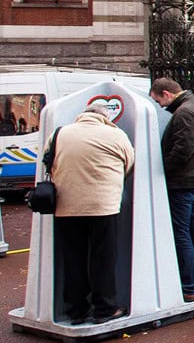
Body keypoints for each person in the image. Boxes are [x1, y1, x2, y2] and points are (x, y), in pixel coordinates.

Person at [50, 104, 134, 325]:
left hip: (66, 205)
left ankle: (76, 312)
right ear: (105, 118)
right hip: (103, 205)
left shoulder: (60, 133)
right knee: (103, 258)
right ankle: (104, 309)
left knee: (73, 258)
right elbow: (129, 163)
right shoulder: (116, 134)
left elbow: (50, 164)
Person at [149, 78, 194, 303]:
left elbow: (182, 149)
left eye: (159, 101)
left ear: (167, 94)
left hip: (183, 182)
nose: (160, 106)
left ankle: (189, 285)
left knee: (183, 234)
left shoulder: (184, 113)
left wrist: (163, 169)